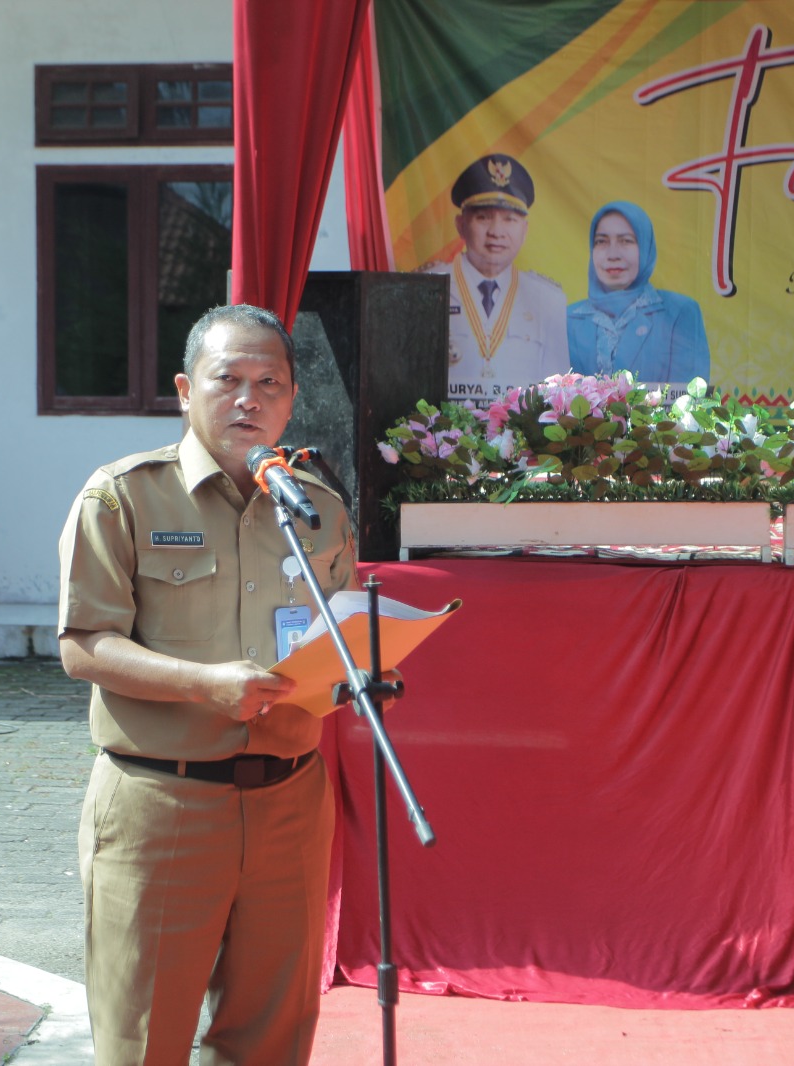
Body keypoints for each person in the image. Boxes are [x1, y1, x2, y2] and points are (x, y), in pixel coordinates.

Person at [58, 303, 358, 1065]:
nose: (249, 400)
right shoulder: (123, 497)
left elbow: (339, 632)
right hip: (163, 802)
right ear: (187, 390)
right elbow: (84, 647)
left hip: (290, 799)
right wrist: (203, 685)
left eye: (270, 383)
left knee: (272, 1036)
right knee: (145, 1039)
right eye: (229, 380)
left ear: (293, 400)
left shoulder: (318, 511)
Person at [420, 152, 569, 406]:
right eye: (483, 218)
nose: (496, 232)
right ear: (460, 224)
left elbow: (556, 397)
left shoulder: (548, 299)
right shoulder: (425, 287)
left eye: (509, 219)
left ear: (525, 229)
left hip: (520, 441)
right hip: (444, 439)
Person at [566, 201, 710, 387]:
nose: (613, 254)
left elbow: (689, 398)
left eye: (626, 241)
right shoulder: (567, 319)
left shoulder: (678, 312)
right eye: (601, 241)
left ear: (645, 247)